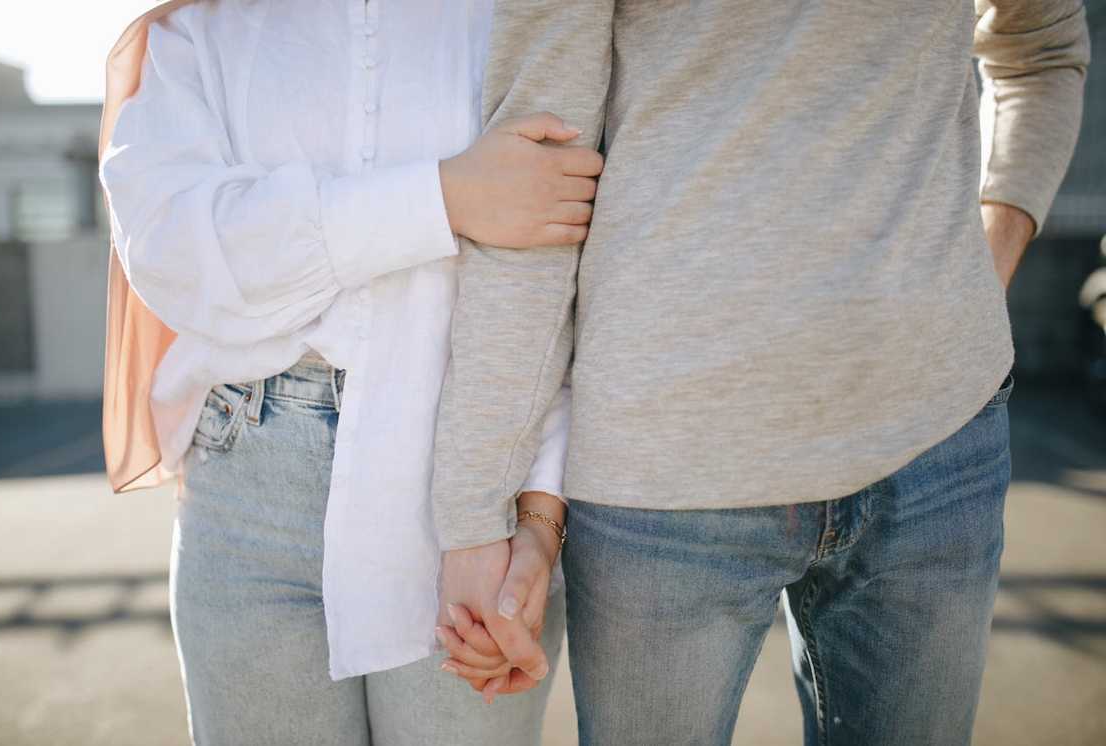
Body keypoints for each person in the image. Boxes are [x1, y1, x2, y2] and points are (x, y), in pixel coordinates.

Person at [434, 1, 1091, 744]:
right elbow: (535, 178)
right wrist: (476, 518)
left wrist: (987, 263)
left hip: (936, 449)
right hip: (666, 481)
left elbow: (1041, 48)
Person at [98, 1, 601, 743]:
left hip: (470, 492)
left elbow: (566, 287)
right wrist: (444, 196)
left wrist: (538, 514)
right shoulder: (201, 27)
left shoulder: (512, 14)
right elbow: (173, 249)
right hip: (246, 483)